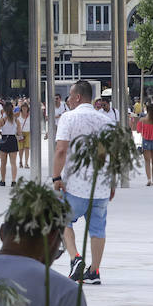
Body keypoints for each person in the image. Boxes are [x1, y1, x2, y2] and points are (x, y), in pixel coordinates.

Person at [52, 80, 116, 285]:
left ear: (78, 97)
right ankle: (95, 271)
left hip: (76, 183)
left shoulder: (68, 118)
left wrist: (56, 177)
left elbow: (61, 150)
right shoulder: (106, 120)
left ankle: (75, 258)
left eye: (70, 96)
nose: (68, 100)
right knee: (98, 228)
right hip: (101, 184)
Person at [0, 100, 19, 186]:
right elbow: (19, 132)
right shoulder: (16, 120)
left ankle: (3, 180)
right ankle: (13, 181)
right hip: (13, 139)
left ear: (4, 109)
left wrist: (1, 130)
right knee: (13, 163)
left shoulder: (2, 120)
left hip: (4, 139)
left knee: (3, 163)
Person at [18, 101, 32, 169]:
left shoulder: (30, 115)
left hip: (28, 132)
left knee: (27, 148)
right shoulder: (18, 115)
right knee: (21, 148)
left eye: (25, 108)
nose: (24, 109)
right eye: (23, 108)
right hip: (20, 133)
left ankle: (26, 163)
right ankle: (20, 161)